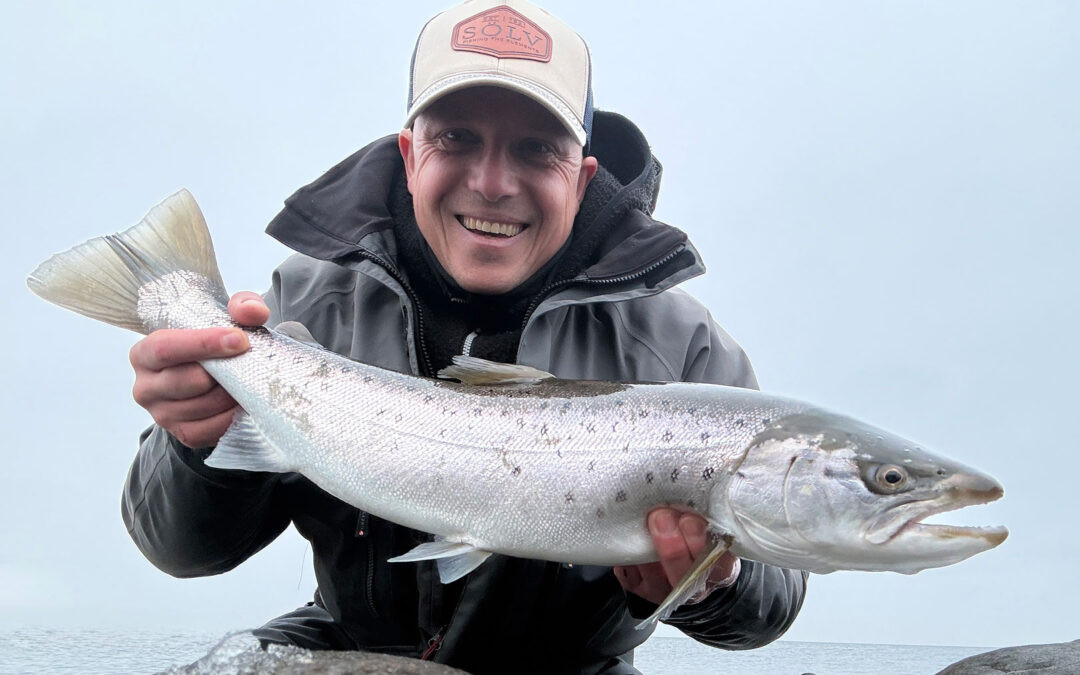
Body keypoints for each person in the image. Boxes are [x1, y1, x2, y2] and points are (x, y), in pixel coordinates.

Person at [122, 1, 807, 672]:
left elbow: (772, 601)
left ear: (582, 175)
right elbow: (182, 548)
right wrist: (196, 443)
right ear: (410, 153)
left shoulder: (680, 348)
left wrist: (713, 584)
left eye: (537, 149)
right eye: (456, 139)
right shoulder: (305, 310)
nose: (492, 183)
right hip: (352, 644)